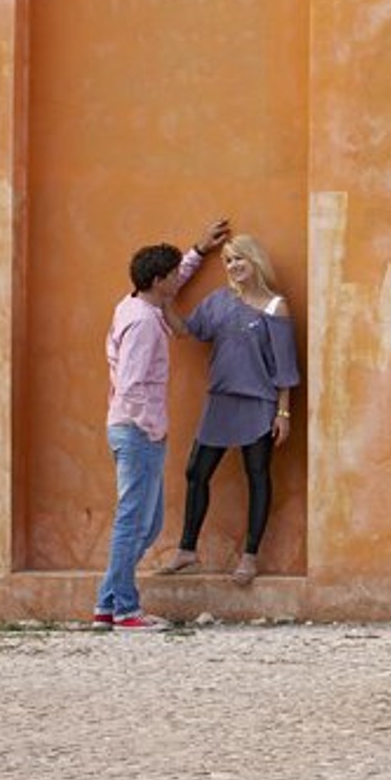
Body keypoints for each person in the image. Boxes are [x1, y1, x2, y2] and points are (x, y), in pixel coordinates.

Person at [94, 219, 231, 631]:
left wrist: (198, 251)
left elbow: (172, 280)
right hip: (137, 430)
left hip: (131, 429)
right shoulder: (144, 325)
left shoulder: (136, 303)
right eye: (172, 275)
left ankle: (107, 604)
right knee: (135, 520)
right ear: (158, 281)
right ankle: (126, 611)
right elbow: (133, 387)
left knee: (144, 522)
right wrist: (150, 427)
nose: (178, 278)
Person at [161, 233, 300, 585]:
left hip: (259, 403)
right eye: (228, 261)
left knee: (257, 476)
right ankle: (186, 550)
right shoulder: (218, 302)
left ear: (255, 261)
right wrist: (163, 300)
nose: (234, 266)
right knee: (196, 472)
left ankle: (249, 557)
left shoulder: (274, 307)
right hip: (221, 401)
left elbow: (284, 367)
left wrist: (283, 413)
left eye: (240, 259)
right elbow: (184, 331)